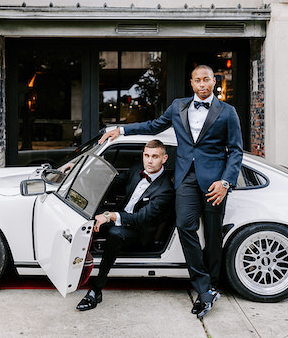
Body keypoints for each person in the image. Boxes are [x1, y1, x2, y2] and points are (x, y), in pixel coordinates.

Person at [98, 65, 243, 318]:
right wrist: (120, 130)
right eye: (197, 80)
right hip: (185, 179)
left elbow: (236, 151)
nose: (202, 84)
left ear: (213, 81)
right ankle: (204, 287)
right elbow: (154, 126)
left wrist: (226, 182)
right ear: (191, 82)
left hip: (214, 183)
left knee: (212, 235)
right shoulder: (178, 106)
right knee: (186, 227)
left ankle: (211, 286)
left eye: (206, 80)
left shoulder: (227, 112)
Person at [76, 139, 175, 311]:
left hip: (140, 233)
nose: (149, 161)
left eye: (154, 157)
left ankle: (96, 289)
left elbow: (141, 218)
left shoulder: (165, 189)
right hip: (123, 219)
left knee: (115, 233)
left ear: (164, 159)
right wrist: (84, 176)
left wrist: (110, 215)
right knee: (88, 213)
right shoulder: (137, 170)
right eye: (146, 155)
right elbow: (113, 184)